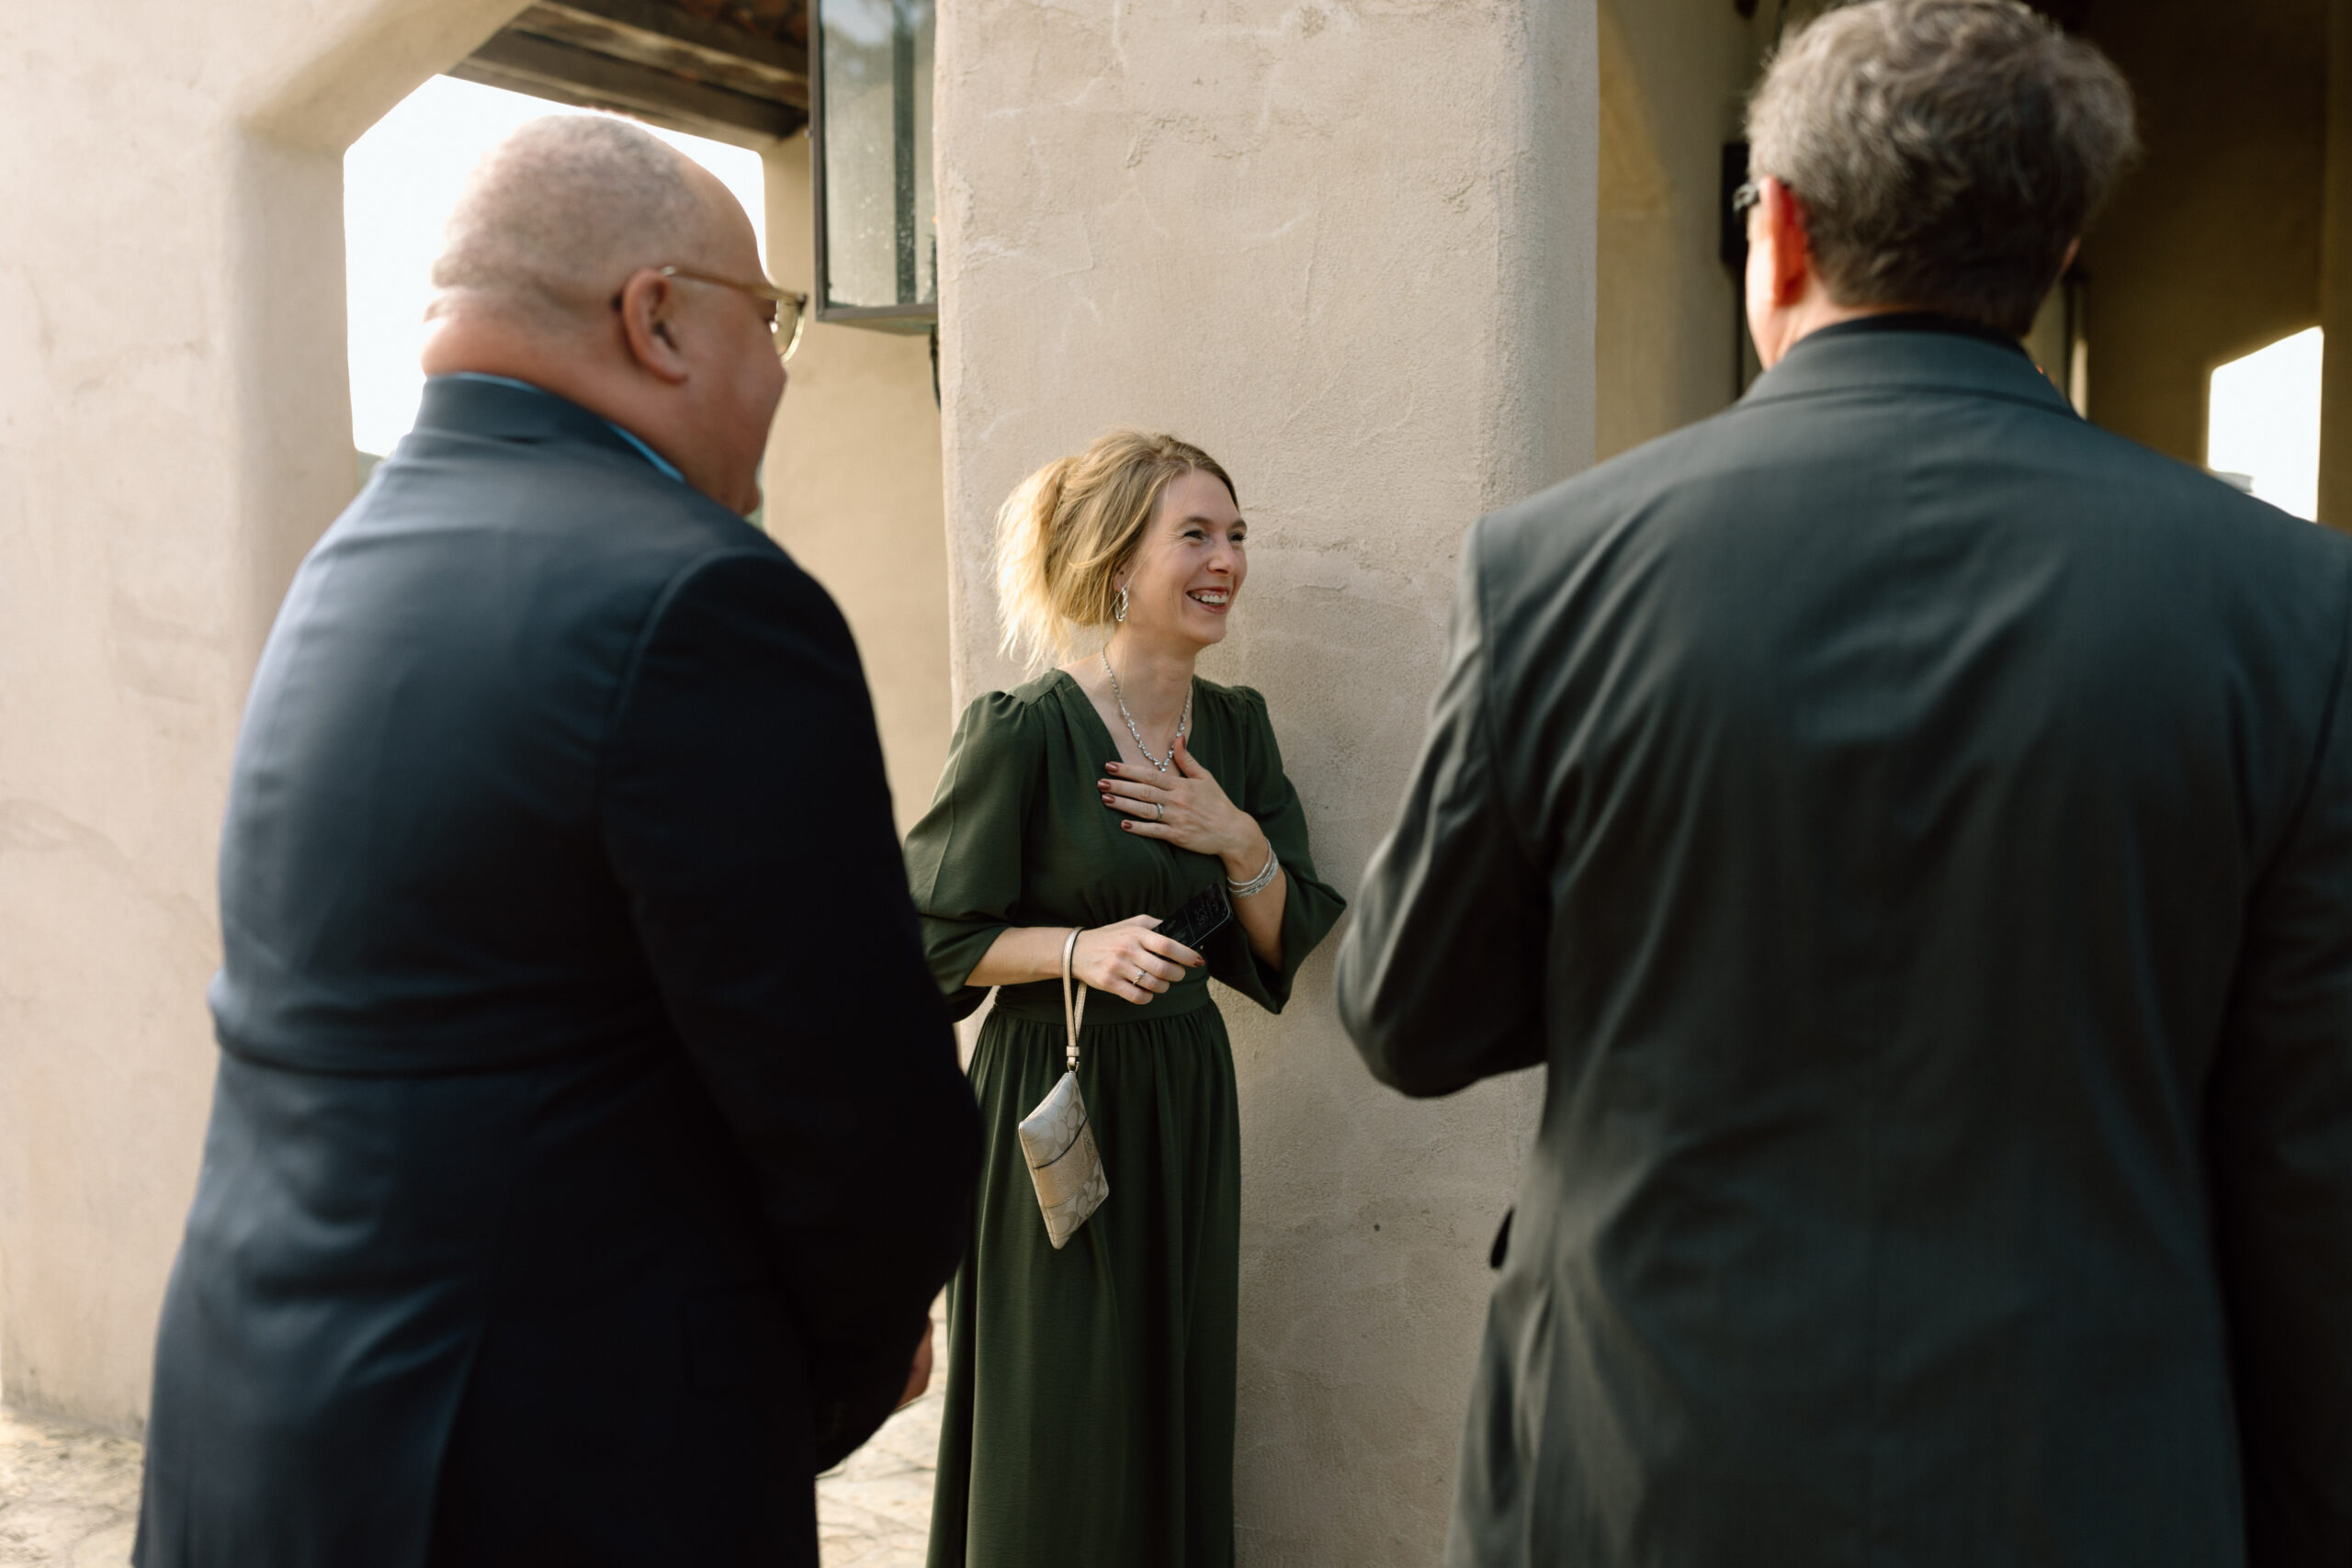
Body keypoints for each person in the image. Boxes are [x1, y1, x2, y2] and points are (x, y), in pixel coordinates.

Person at [1339, 2, 2352, 1562]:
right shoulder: (2291, 608)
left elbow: (1410, 1014)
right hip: (2087, 1482)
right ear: (2061, 245)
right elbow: (2312, 1167)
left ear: (1786, 228)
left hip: (1640, 1468)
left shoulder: (1557, 571)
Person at [134, 115, 979, 1568]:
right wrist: (821, 1371)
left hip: (263, 1435)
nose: (782, 367)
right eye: (768, 316)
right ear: (655, 317)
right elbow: (865, 1116)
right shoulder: (703, 601)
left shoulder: (348, 569)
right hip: (541, 1469)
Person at [908, 430, 1345, 1567]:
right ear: (1116, 566)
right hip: (1056, 1098)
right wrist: (1074, 950)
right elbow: (919, 939)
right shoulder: (1023, 735)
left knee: (1168, 1390)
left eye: (1236, 535)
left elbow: (1283, 935)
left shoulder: (1237, 730)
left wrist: (1236, 836)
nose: (1227, 561)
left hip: (1185, 1096)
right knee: (1060, 1413)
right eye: (1194, 535)